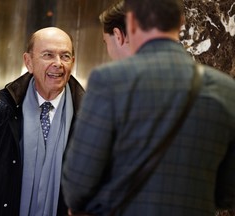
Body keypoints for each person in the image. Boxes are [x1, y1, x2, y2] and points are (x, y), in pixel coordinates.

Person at [62, 0, 235, 215]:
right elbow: (226, 194)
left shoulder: (109, 81)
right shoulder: (226, 89)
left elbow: (78, 186)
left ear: (132, 22)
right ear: (181, 22)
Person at [0, 27, 85, 216]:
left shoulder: (93, 122)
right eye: (48, 55)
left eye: (65, 56)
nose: (58, 64)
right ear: (28, 62)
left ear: (72, 62)